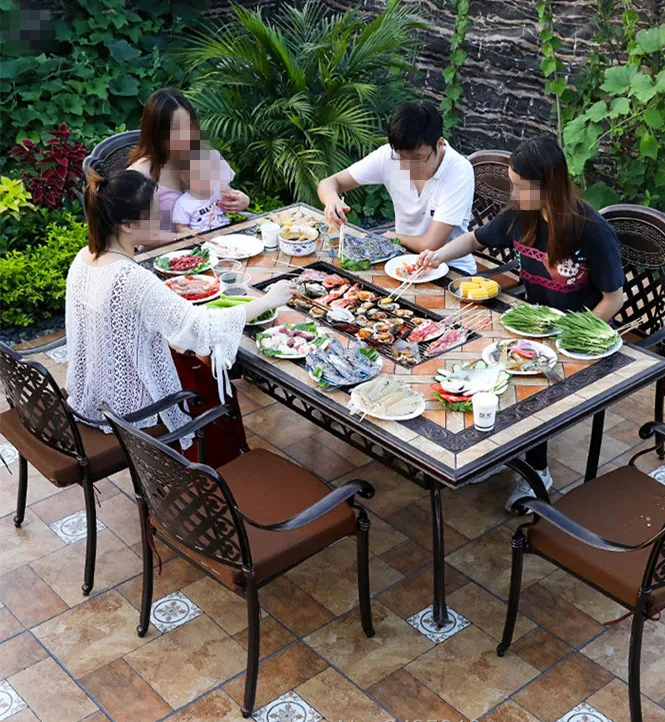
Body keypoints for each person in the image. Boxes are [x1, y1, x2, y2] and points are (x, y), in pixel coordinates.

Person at [415, 135, 625, 510]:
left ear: (546, 187)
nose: (512, 193)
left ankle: (537, 471)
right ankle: (496, 452)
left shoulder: (590, 230)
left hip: (576, 335)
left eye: (519, 186)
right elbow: (475, 241)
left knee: (533, 387)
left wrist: (571, 341)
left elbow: (615, 299)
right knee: (480, 358)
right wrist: (436, 255)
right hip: (531, 323)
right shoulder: (520, 215)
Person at [65, 169, 294, 448]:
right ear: (126, 225)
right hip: (128, 407)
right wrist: (268, 300)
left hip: (94, 390)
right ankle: (211, 474)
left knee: (195, 363)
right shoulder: (132, 279)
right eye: (154, 212)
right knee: (213, 388)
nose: (161, 218)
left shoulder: (84, 257)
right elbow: (200, 328)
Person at [317, 101, 477, 274]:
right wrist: (332, 201)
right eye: (402, 158)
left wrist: (395, 237)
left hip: (451, 269)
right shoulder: (388, 156)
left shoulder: (458, 170)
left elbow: (430, 244)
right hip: (400, 260)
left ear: (439, 144)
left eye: (418, 158)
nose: (409, 167)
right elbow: (329, 183)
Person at [127, 88, 250, 241]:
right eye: (176, 128)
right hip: (163, 256)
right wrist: (180, 237)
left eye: (188, 125)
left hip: (216, 246)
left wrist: (241, 201)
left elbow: (223, 194)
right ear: (156, 133)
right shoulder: (140, 174)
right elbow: (132, 233)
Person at [173, 149, 231, 233]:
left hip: (228, 233)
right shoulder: (183, 203)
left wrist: (228, 197)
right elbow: (181, 227)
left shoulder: (218, 191)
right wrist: (191, 233)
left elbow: (232, 208)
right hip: (204, 240)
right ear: (185, 179)